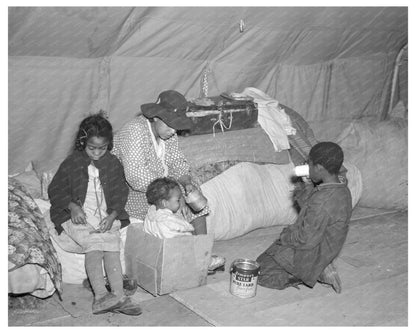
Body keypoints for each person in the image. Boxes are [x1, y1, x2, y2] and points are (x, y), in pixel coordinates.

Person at [112, 90, 225, 270]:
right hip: (131, 193)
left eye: (176, 126)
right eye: (170, 125)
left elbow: (176, 162)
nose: (174, 131)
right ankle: (187, 257)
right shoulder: (135, 131)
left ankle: (203, 254)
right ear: (156, 117)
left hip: (160, 185)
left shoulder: (168, 133)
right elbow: (135, 176)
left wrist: (187, 183)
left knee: (192, 190)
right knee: (171, 203)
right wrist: (171, 190)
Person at [48, 113, 142, 315]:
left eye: (103, 148)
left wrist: (112, 215)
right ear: (82, 143)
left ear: (109, 144)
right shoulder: (72, 162)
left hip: (104, 215)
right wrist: (73, 206)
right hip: (75, 214)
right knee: (95, 244)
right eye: (92, 148)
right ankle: (100, 296)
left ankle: (118, 296)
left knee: (111, 245)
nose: (98, 153)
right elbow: (55, 190)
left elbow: (120, 192)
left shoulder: (113, 163)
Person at [256, 142, 352, 293]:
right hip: (323, 242)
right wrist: (308, 185)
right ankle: (317, 266)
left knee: (260, 273)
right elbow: (309, 209)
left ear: (319, 167)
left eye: (310, 164)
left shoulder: (323, 201)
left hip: (313, 249)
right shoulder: (340, 188)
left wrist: (285, 236)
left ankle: (317, 271)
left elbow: (306, 240)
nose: (307, 166)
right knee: (267, 258)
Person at [144, 177, 225, 273]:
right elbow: (184, 238)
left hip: (157, 256)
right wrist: (189, 231)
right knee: (196, 247)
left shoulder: (150, 215)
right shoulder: (169, 221)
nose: (180, 203)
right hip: (175, 256)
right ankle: (206, 263)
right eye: (177, 200)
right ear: (165, 203)